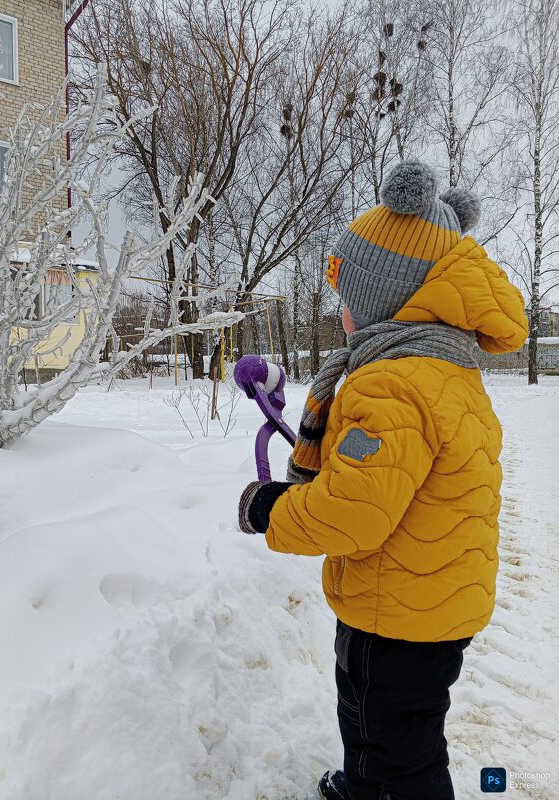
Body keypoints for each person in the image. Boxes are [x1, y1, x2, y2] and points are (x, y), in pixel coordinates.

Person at [237, 160, 528, 800]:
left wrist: (271, 511)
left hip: (395, 614)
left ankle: (377, 788)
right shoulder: (445, 370)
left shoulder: (392, 383)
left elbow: (356, 513)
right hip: (430, 601)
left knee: (391, 744)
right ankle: (371, 781)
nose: (340, 311)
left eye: (346, 298)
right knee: (402, 734)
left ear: (382, 300)